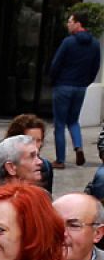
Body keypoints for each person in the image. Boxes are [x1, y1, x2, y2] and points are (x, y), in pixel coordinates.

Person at [52, 15, 102, 170]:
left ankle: (60, 159)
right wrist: (86, 83)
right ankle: (78, 147)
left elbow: (56, 63)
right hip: (80, 87)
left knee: (59, 124)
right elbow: (96, 66)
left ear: (78, 24)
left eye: (70, 22)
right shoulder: (95, 44)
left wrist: (54, 80)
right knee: (73, 121)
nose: (68, 25)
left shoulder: (68, 42)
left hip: (63, 85)